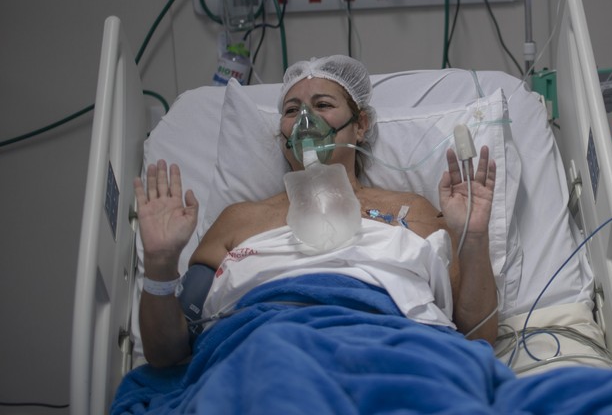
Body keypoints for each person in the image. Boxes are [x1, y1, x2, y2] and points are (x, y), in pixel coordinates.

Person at [134, 55, 499, 369]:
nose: (306, 119)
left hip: (392, 348)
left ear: (360, 124)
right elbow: (167, 353)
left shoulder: (412, 209)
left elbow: (477, 332)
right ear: (282, 132)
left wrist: (475, 237)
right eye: (292, 110)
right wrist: (160, 264)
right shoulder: (239, 220)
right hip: (264, 352)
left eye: (323, 105)